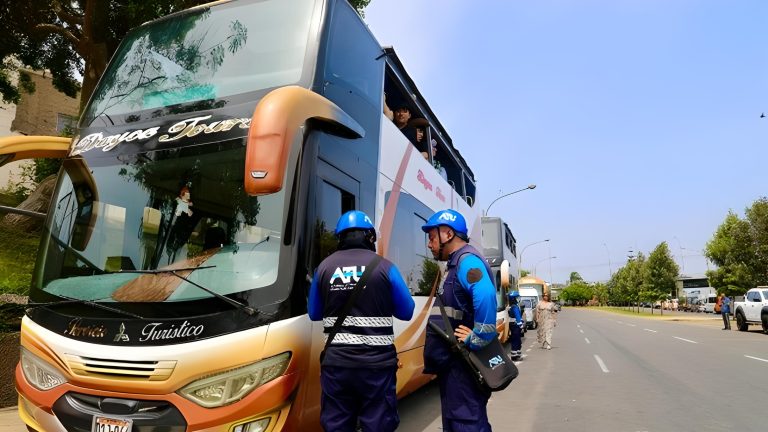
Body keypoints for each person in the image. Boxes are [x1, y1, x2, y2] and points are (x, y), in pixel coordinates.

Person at [308, 210, 415, 432]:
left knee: (337, 425)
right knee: (378, 425)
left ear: (340, 237)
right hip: (376, 367)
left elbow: (314, 314)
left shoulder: (324, 268)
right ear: (370, 237)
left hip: (337, 365)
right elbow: (407, 311)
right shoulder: (385, 267)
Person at [422, 209, 497, 432]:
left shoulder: (467, 262)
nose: (429, 244)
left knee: (467, 424)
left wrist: (480, 336)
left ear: (447, 233)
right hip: (455, 366)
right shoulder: (457, 263)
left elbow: (486, 294)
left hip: (463, 365)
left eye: (432, 237)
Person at [507, 291, 524, 360]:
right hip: (516, 326)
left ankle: (516, 355)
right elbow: (517, 317)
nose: (518, 298)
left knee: (515, 340)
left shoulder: (512, 306)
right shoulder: (515, 307)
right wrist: (521, 325)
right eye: (517, 297)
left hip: (513, 326)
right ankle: (515, 356)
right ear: (514, 298)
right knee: (516, 341)